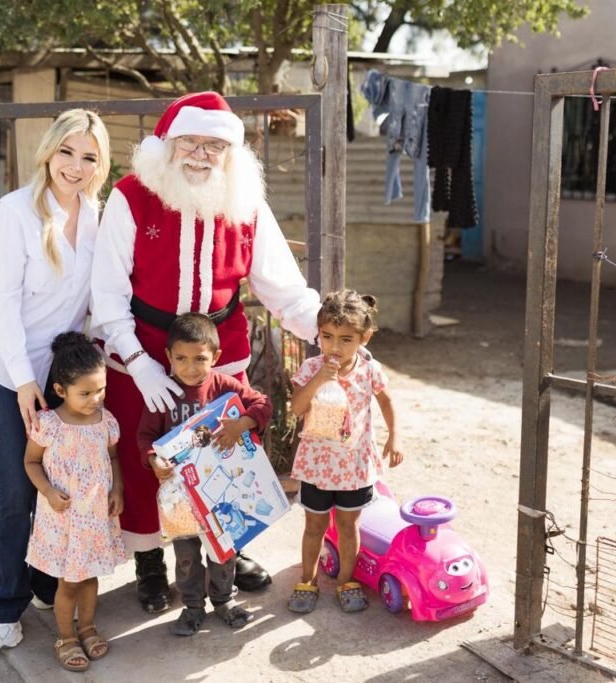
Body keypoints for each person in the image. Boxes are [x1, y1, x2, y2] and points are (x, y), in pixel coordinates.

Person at [91, 90, 321, 612]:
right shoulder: (130, 196)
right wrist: (139, 364)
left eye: (213, 146)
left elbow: (283, 287)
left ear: (230, 153)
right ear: (166, 145)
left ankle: (228, 551)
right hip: (142, 350)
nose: (200, 155)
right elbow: (106, 292)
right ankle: (150, 561)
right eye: (189, 142)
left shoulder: (246, 204)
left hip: (220, 355)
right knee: (146, 460)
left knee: (225, 457)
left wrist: (325, 328)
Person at [0, 109, 111, 650]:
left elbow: (97, 302)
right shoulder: (12, 214)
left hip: (58, 374)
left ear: (100, 166)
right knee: (19, 487)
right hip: (3, 369)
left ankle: (50, 579)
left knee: (64, 483)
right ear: (49, 152)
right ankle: (5, 601)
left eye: (89, 157)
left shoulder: (96, 216)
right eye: (67, 152)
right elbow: (1, 304)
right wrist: (24, 382)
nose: (75, 166)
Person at [136, 313, 272, 635]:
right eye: (181, 358)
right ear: (168, 356)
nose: (190, 367)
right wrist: (154, 461)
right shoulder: (163, 394)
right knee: (186, 556)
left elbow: (263, 404)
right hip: (181, 500)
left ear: (216, 356)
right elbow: (145, 437)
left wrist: (241, 424)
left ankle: (224, 600)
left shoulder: (224, 386)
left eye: (200, 358)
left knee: (223, 551)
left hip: (221, 494)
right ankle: (193, 607)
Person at [287, 289, 403, 614]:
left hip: (354, 466)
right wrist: (318, 380)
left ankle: (346, 582)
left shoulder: (369, 370)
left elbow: (387, 401)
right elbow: (297, 408)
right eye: (327, 337)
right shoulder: (311, 367)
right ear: (319, 334)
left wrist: (395, 436)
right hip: (318, 466)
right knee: (314, 527)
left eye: (346, 339)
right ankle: (307, 581)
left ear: (364, 338)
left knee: (349, 527)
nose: (334, 347)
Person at [24, 332, 126, 672]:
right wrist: (48, 491)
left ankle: (88, 627)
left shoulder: (105, 421)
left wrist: (118, 489)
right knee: (68, 582)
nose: (95, 399)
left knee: (91, 575)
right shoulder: (49, 425)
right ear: (60, 390)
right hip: (64, 518)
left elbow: (113, 458)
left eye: (100, 390)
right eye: (85, 393)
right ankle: (65, 637)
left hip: (94, 516)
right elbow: (31, 462)